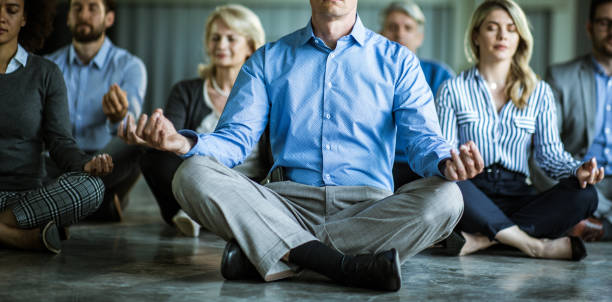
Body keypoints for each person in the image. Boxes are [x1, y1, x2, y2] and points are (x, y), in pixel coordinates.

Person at [120, 0, 482, 292]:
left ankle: (279, 252)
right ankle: (338, 265)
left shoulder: (398, 61)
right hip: (284, 204)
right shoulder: (267, 59)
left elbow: (422, 141)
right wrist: (181, 141)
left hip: (369, 210)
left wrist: (445, 162)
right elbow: (235, 141)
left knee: (448, 198)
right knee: (191, 173)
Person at [436, 0, 602, 260]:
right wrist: (455, 162)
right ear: (476, 36)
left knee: (586, 196)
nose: (503, 35)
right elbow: (443, 152)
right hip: (471, 196)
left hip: (518, 194)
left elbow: (549, 156)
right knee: (444, 186)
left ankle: (482, 240)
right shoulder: (452, 89)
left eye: (511, 29)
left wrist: (576, 170)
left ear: (520, 38)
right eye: (492, 28)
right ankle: (535, 246)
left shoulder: (539, 92)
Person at [139, 4, 271, 237]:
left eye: (231, 39)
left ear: (250, 46)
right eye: (215, 38)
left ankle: (199, 216)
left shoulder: (266, 93)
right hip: (196, 182)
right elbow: (171, 141)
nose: (221, 45)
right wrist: (156, 134)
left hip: (249, 185)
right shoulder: (186, 91)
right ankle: (205, 214)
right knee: (154, 157)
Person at [0, 0, 113, 254]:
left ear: (25, 17)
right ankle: (20, 238)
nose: (1, 17)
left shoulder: (45, 73)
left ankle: (5, 228)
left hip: (27, 199)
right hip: (27, 213)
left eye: (11, 10)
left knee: (92, 187)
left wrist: (85, 164)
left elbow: (60, 141)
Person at [46, 0, 147, 221]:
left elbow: (130, 128)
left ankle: (64, 199)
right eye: (77, 8)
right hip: (59, 161)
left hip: (106, 159)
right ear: (68, 17)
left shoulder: (130, 66)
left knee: (137, 142)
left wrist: (118, 117)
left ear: (109, 18)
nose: (84, 14)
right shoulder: (48, 66)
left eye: (93, 8)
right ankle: (98, 204)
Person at [530, 0, 612, 242]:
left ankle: (599, 227)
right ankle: (594, 221)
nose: (611, 31)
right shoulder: (561, 76)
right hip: (582, 182)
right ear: (589, 28)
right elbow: (543, 151)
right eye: (604, 23)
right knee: (576, 197)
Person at [380, 1, 456, 189]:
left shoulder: (440, 75)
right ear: (381, 34)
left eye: (408, 27)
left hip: (426, 165)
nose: (400, 34)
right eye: (392, 27)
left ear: (420, 37)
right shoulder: (369, 74)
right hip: (381, 166)